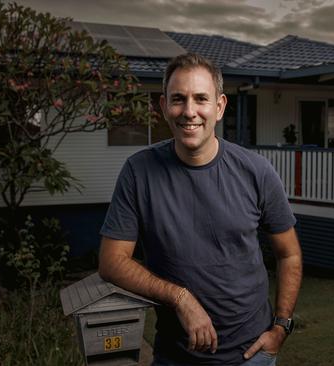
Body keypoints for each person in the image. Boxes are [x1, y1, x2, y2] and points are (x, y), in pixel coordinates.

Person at [98, 53, 302, 366]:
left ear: (219, 107)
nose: (189, 111)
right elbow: (111, 262)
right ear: (164, 106)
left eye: (201, 99)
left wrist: (281, 326)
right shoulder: (138, 172)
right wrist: (180, 298)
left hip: (252, 357)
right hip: (176, 356)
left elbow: (289, 254)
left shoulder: (256, 171)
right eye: (178, 99)